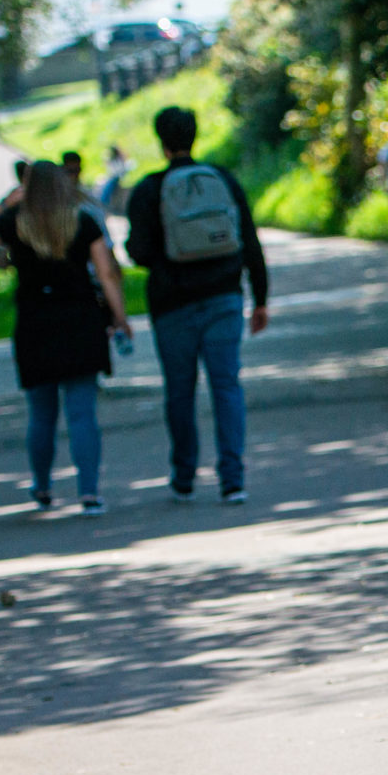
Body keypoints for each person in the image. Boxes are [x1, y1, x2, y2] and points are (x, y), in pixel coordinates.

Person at [0, 160, 131, 515]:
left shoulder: (15, 223)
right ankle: (89, 492)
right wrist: (119, 317)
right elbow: (107, 273)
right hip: (81, 322)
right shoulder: (82, 222)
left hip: (35, 325)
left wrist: (6, 203)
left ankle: (42, 485)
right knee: (82, 413)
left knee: (41, 414)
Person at [124, 106, 270, 504]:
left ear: (160, 140)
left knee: (180, 390)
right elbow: (249, 240)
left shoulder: (149, 190)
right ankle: (233, 479)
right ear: (195, 134)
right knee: (226, 386)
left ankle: (184, 476)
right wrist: (261, 298)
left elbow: (137, 251)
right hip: (224, 295)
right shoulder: (222, 179)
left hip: (172, 304)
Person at [99, 143, 133, 216]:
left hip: (115, 178)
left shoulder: (120, 159)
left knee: (108, 188)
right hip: (113, 177)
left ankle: (103, 203)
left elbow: (119, 171)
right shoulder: (114, 159)